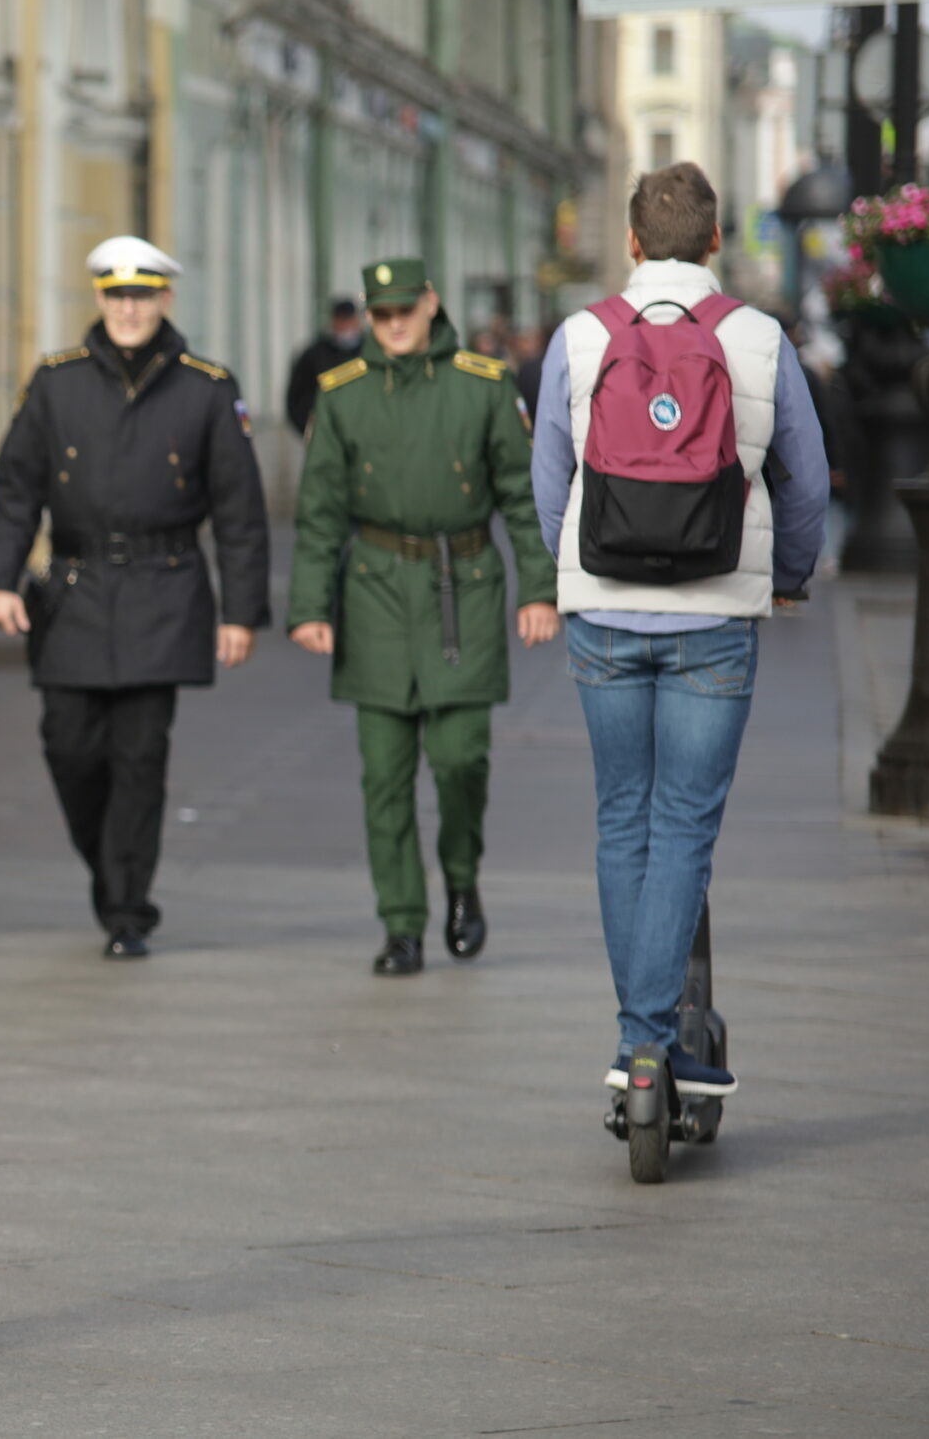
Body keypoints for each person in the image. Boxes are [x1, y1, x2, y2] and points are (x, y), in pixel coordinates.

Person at [531, 162, 829, 1100]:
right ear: (713, 241)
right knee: (684, 829)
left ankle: (640, 1040)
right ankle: (652, 1044)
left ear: (630, 240)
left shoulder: (580, 337)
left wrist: (577, 567)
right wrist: (784, 580)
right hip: (713, 613)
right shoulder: (757, 337)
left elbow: (549, 482)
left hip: (605, 614)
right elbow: (807, 483)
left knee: (622, 819)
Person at [0, 234, 270, 959]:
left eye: (141, 295)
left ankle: (128, 906)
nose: (128, 309)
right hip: (73, 592)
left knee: (139, 756)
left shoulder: (205, 385)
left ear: (163, 299)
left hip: (163, 592)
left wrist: (240, 611)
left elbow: (239, 509)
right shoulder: (56, 381)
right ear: (100, 298)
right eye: (115, 295)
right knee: (69, 746)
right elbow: (17, 489)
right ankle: (112, 872)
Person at [286, 258, 559, 976]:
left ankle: (461, 875)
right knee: (384, 773)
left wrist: (539, 590)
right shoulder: (342, 395)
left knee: (461, 757)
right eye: (382, 313)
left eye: (407, 308)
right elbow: (319, 513)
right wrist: (311, 606)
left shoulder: (484, 384)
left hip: (459, 587)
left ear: (432, 303)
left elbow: (521, 498)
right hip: (375, 588)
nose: (395, 323)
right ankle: (401, 922)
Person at [285, 298, 364, 435]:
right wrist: (308, 430)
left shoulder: (369, 352)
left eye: (348, 320)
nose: (345, 326)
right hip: (324, 433)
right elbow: (296, 397)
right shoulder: (314, 355)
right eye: (341, 320)